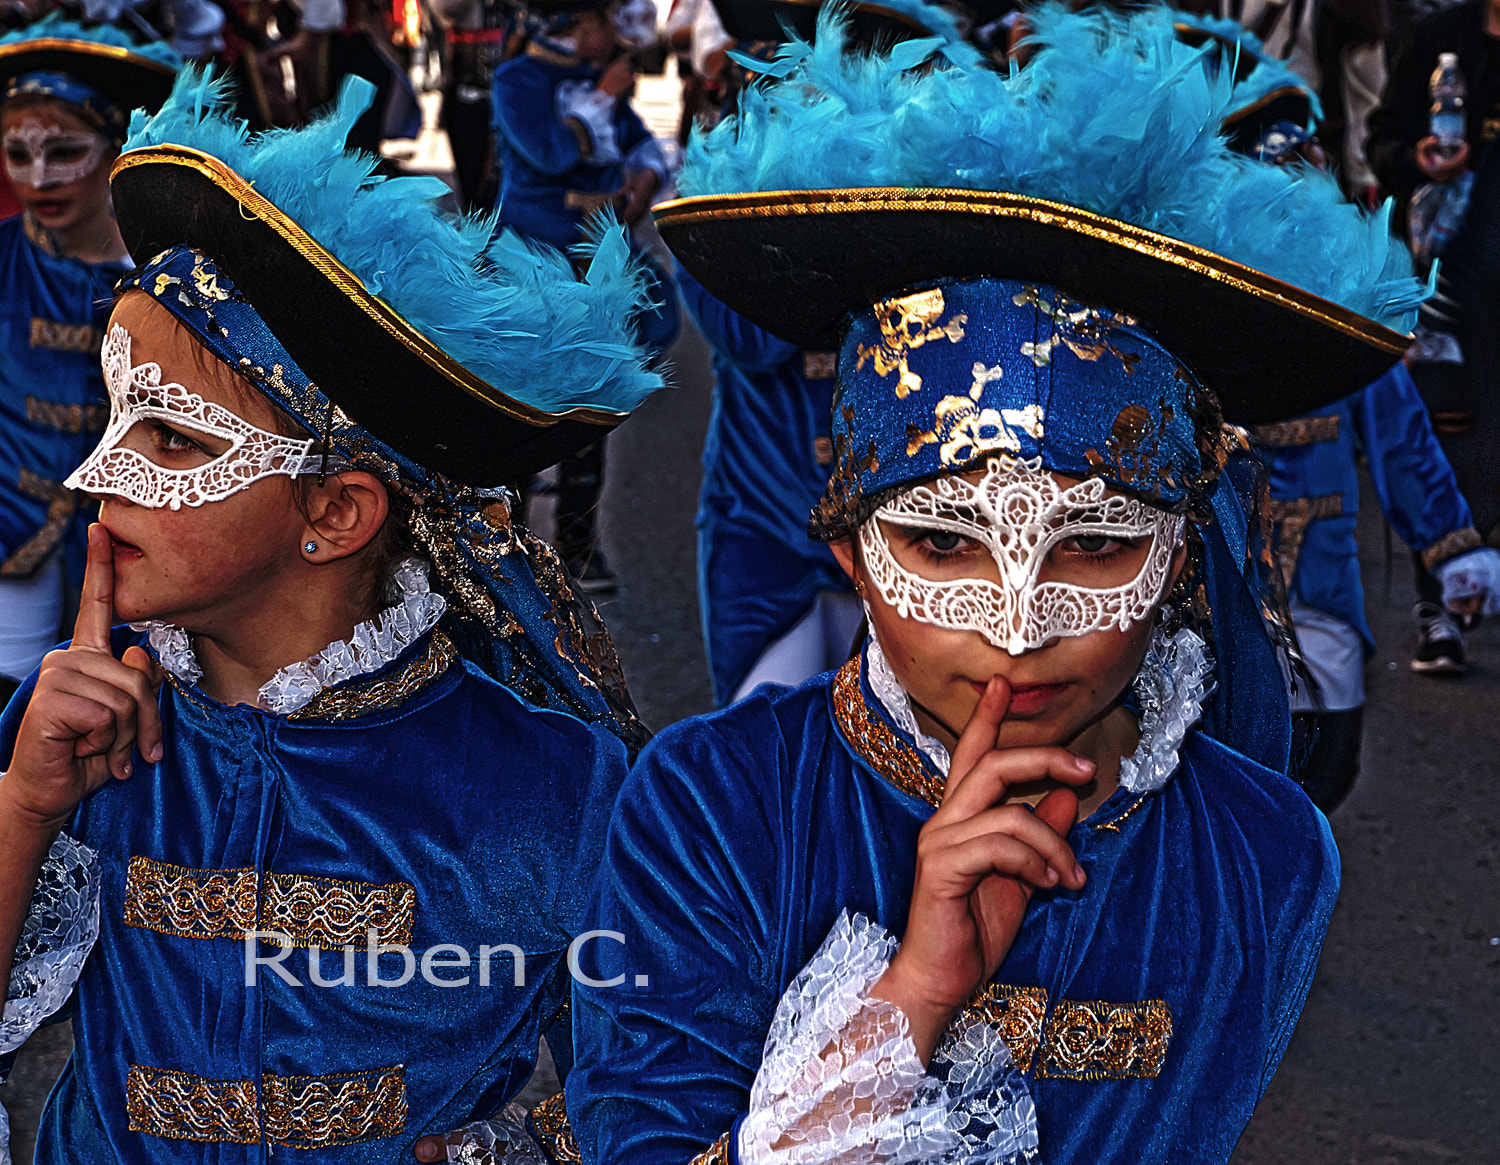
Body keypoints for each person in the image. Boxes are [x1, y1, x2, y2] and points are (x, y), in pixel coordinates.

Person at [552, 6, 1420, 1163]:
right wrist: (908, 1001)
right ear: (853, 555)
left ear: (1177, 563)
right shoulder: (710, 809)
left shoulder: (1263, 857)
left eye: (1098, 546)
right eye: (945, 544)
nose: (1019, 628)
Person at [0, 63, 663, 1164]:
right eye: (119, 420)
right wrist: (25, 802)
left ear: (336, 510)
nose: (95, 476)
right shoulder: (81, 721)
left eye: (169, 437)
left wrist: (521, 1148)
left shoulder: (548, 781)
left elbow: (662, 1075)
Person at [0, 16, 180, 703]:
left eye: (65, 150)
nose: (38, 176)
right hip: (12, 532)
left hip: (140, 532)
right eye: (17, 154)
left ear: (113, 147)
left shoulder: (170, 269)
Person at [490, 0, 677, 592]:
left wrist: (643, 178)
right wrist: (601, 96)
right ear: (578, 24)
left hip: (595, 259)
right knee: (520, 396)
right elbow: (551, 152)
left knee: (594, 398)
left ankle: (576, 540)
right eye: (605, 20)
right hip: (533, 260)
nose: (617, 33)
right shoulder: (516, 80)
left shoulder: (597, 80)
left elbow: (640, 145)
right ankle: (506, 538)